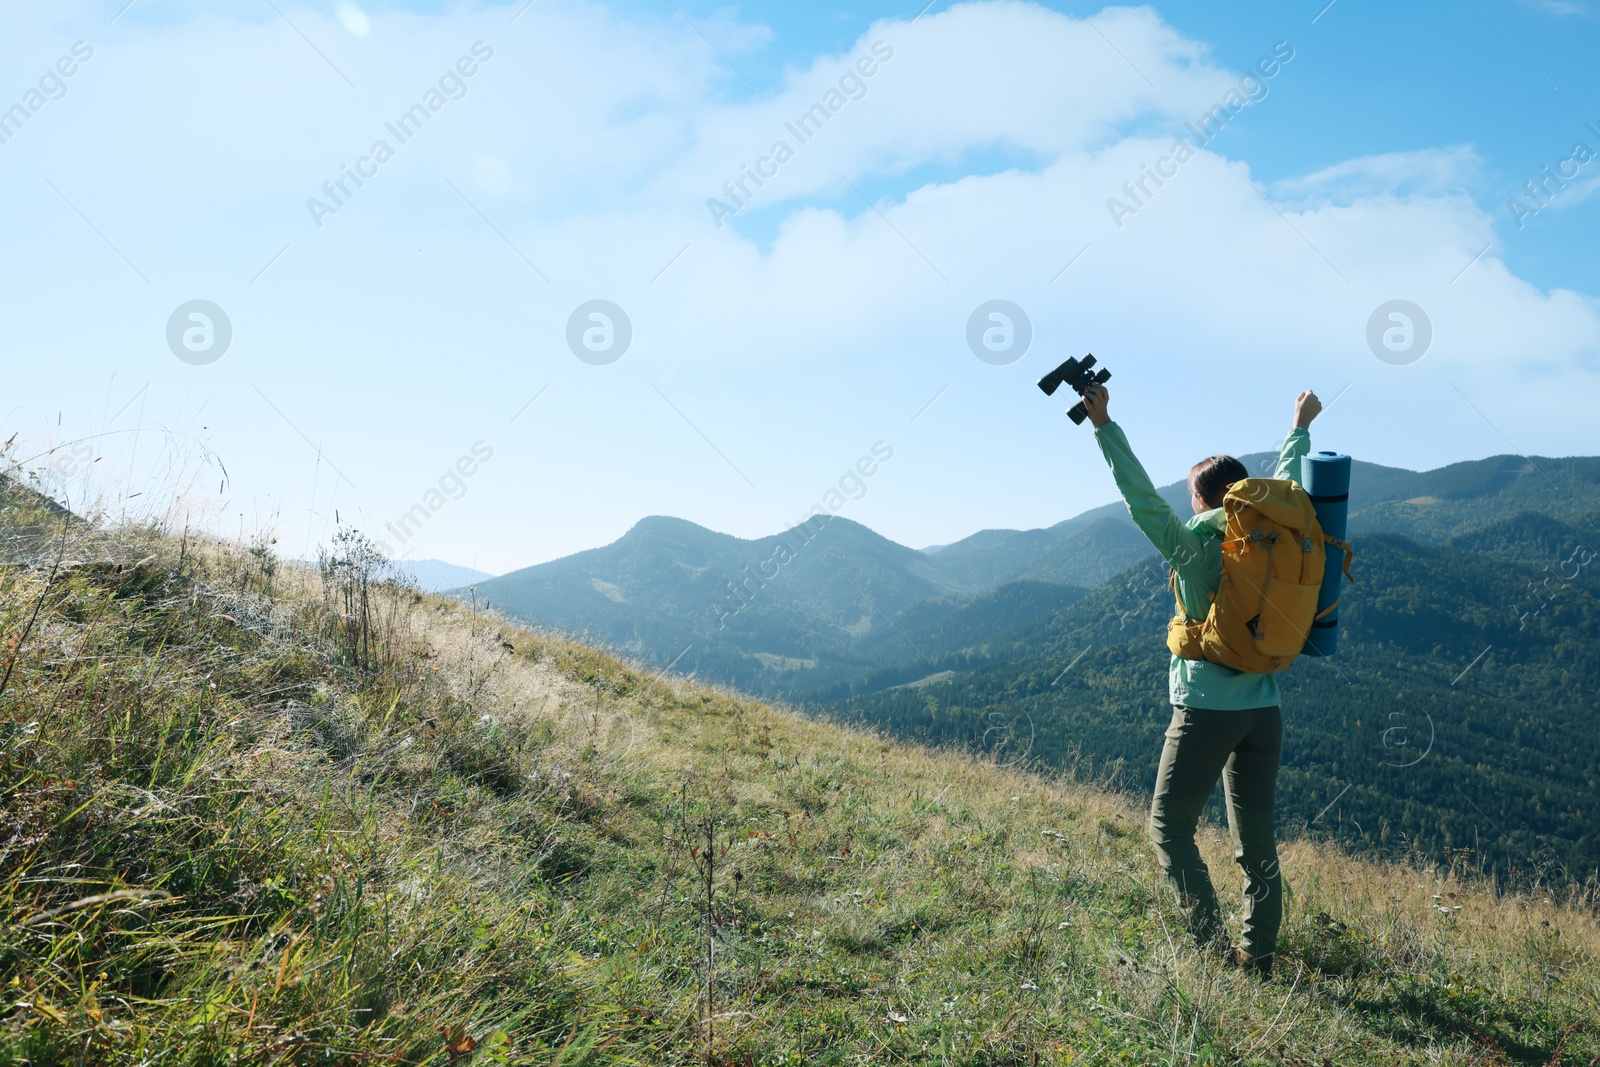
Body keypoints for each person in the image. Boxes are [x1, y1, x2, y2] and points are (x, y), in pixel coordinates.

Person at [1078, 383, 1322, 978]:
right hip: (1265, 710)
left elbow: (1141, 501)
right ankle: (1257, 956)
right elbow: (1288, 482)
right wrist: (1299, 425)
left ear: (1203, 499)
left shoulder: (1195, 548)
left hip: (1207, 711)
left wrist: (1104, 425)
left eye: (1191, 496)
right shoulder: (1274, 530)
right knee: (1256, 843)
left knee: (1168, 829)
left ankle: (1211, 949)